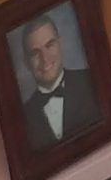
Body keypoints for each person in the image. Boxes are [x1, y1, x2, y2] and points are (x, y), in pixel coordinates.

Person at [19, 13, 99, 149]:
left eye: (49, 45)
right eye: (35, 53)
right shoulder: (23, 116)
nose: (45, 59)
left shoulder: (91, 79)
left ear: (60, 44)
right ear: (26, 62)